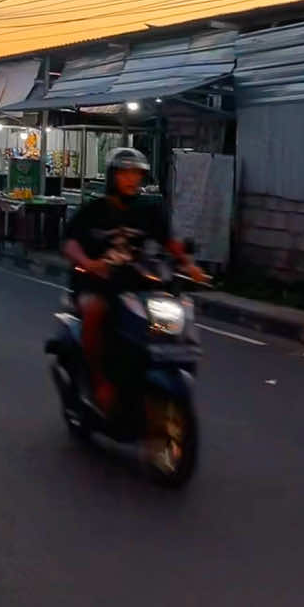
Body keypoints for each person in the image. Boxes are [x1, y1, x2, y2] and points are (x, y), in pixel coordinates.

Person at [61, 146, 203, 415]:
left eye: (137, 174)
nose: (131, 179)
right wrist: (88, 263)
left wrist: (189, 265)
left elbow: (170, 242)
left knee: (170, 314)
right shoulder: (94, 210)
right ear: (113, 176)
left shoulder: (149, 210)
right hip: (95, 282)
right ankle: (100, 382)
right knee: (94, 311)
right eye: (125, 173)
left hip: (135, 282)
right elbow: (70, 244)